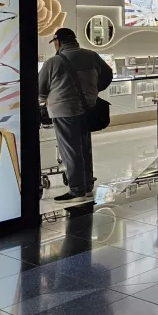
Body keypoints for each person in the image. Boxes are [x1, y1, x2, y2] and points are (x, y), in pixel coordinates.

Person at [38, 27, 113, 203]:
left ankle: (77, 189)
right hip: (88, 108)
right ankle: (87, 186)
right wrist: (93, 90)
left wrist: (43, 101)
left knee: (70, 151)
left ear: (59, 42)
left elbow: (40, 90)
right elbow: (107, 76)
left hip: (64, 111)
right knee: (84, 148)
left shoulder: (53, 62)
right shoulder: (92, 56)